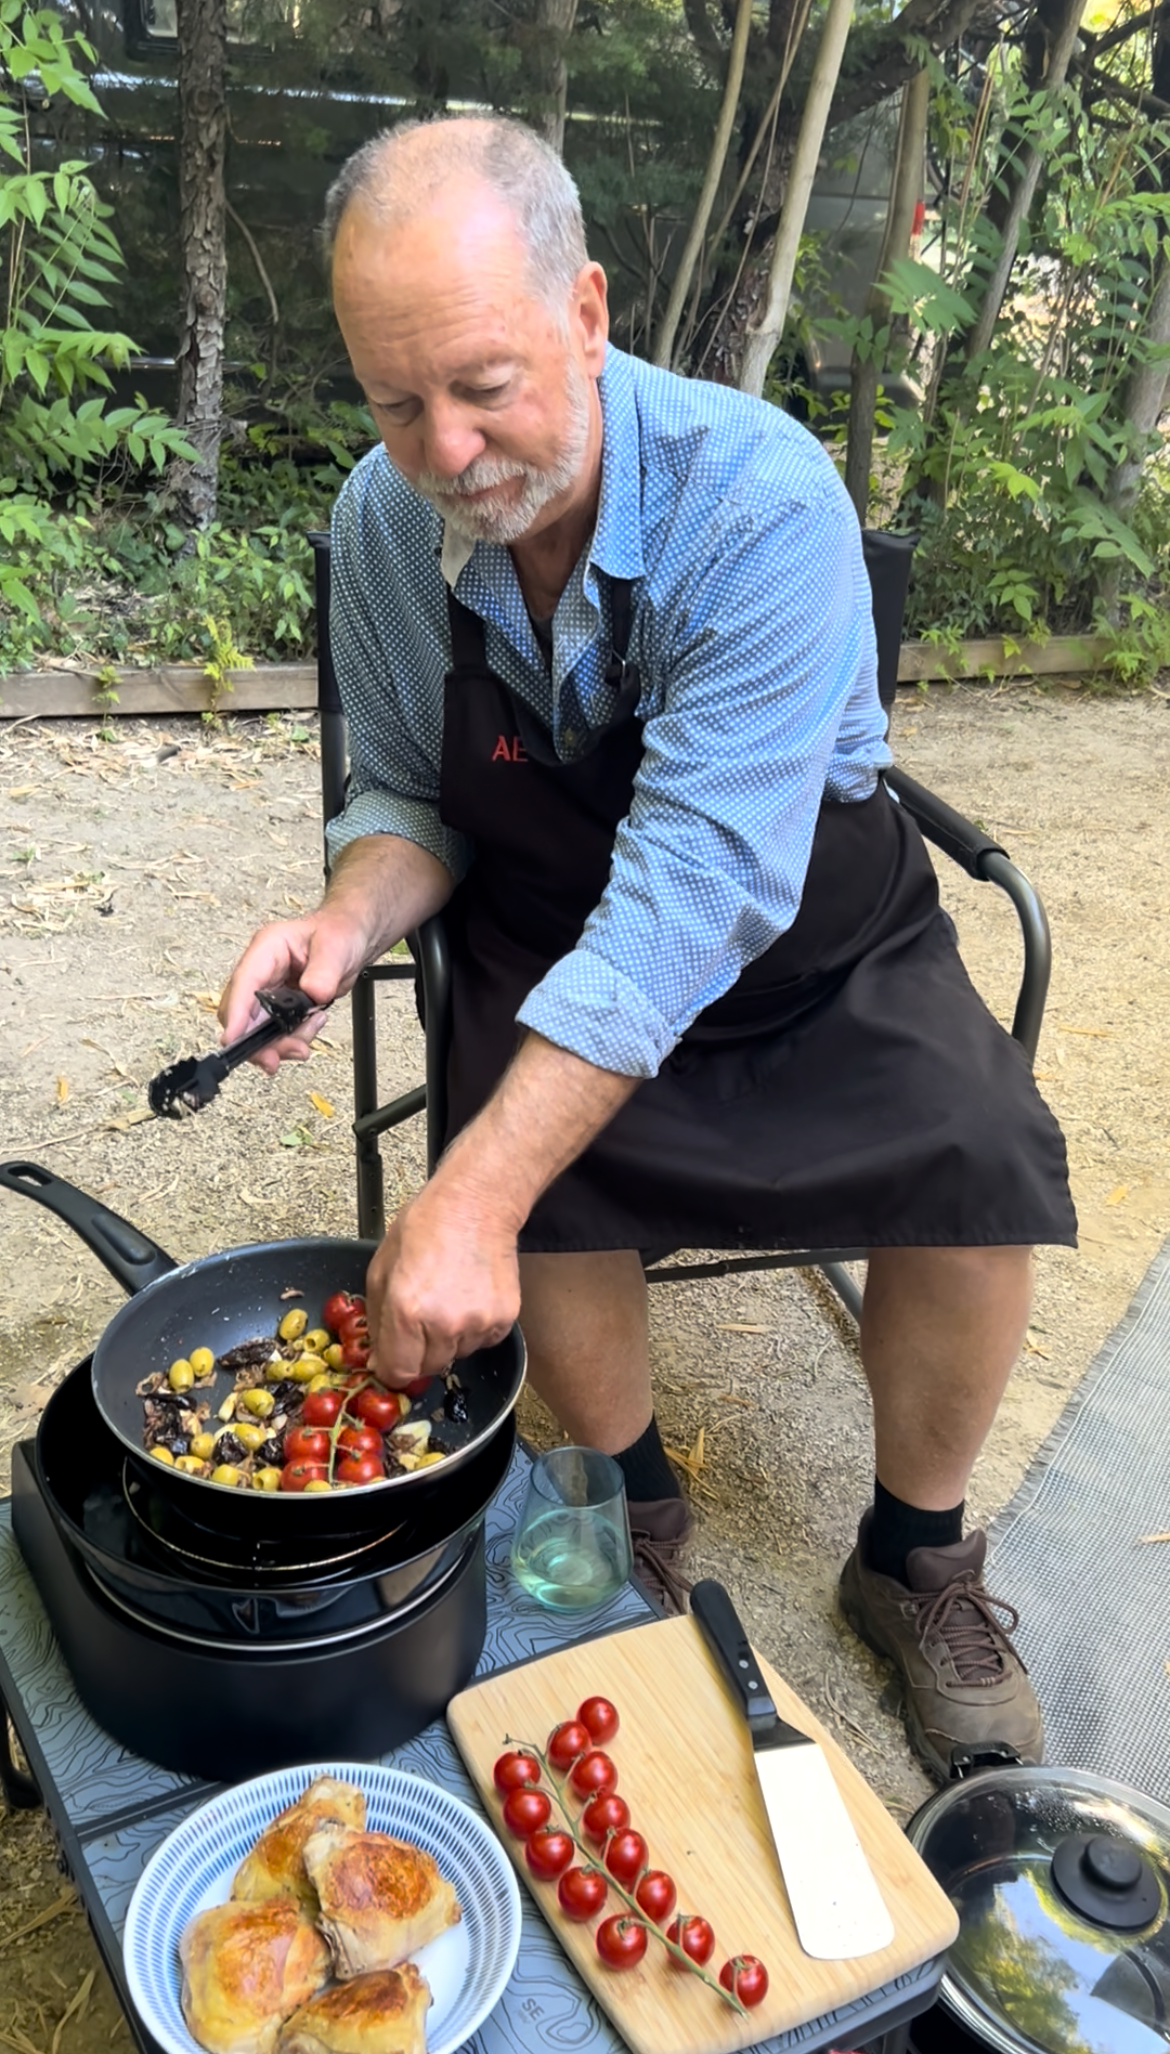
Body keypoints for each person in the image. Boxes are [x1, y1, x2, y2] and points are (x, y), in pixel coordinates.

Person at [220, 114, 1076, 1784]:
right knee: (533, 1169)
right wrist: (341, 917)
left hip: (803, 933)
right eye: (397, 403)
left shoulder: (754, 495)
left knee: (977, 1147)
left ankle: (915, 1556)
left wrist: (460, 1189)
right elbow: (406, 789)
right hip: (548, 932)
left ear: (589, 312)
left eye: (483, 384)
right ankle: (629, 1503)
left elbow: (697, 879)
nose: (447, 451)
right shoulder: (380, 526)